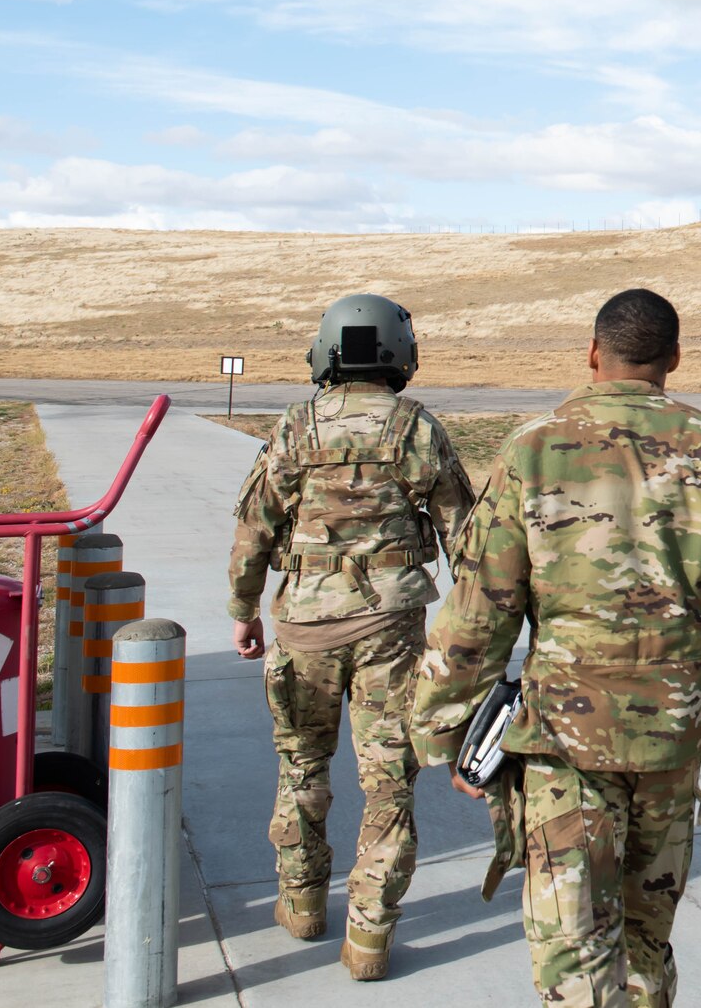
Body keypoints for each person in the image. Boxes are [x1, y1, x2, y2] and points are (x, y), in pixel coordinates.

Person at [410, 287, 701, 1006]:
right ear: (674, 359)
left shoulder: (532, 451)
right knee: (645, 940)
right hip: (674, 738)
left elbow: (480, 608)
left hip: (567, 739)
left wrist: (444, 727)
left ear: (594, 354)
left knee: (573, 952)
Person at [228, 293, 475, 981]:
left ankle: (303, 902)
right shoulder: (416, 428)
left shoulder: (294, 426)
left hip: (304, 625)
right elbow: (466, 535)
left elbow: (255, 526)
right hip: (389, 632)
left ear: (326, 350)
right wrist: (472, 630)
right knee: (389, 782)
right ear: (400, 353)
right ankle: (368, 935)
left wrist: (243, 606)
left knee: (303, 764)